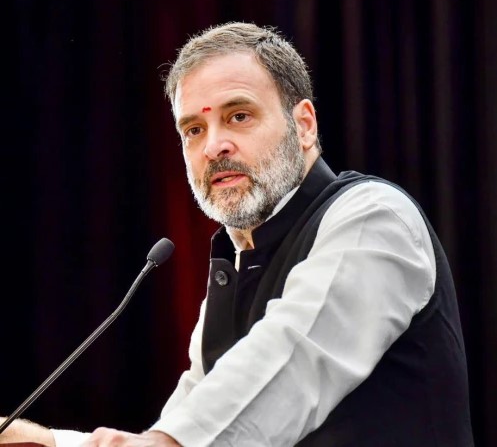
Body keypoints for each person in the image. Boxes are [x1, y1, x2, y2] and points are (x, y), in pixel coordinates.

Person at [0, 22, 474, 447]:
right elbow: (181, 426)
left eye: (238, 116)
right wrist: (46, 442)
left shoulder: (374, 219)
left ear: (303, 125)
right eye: (193, 129)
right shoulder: (238, 262)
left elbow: (291, 364)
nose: (214, 146)